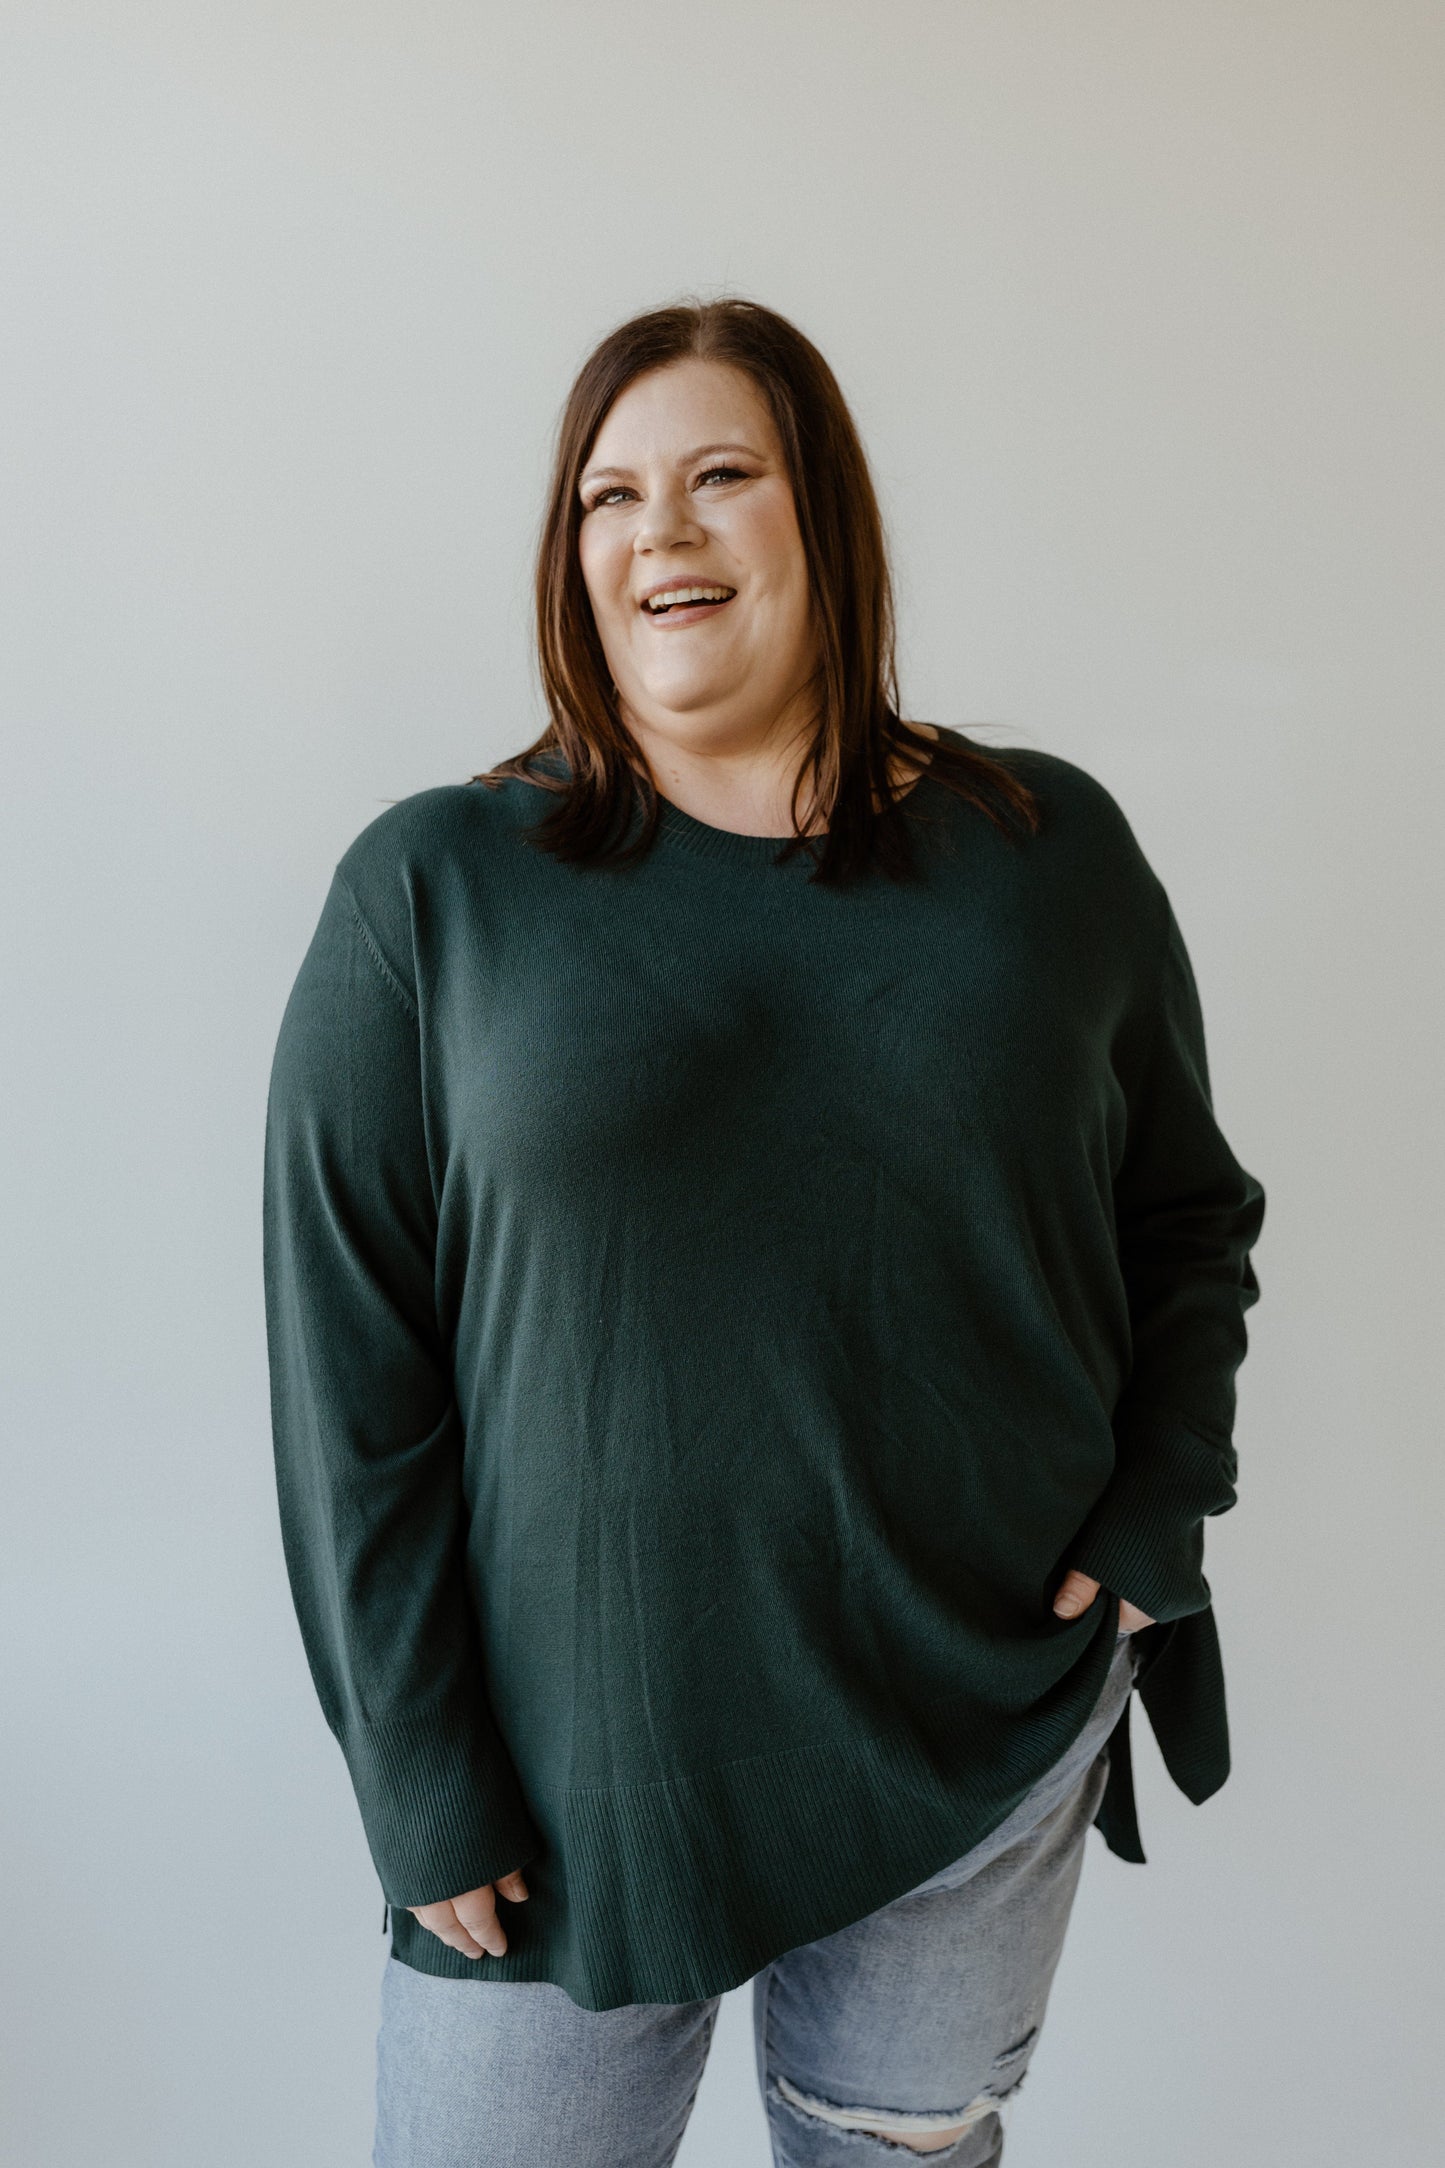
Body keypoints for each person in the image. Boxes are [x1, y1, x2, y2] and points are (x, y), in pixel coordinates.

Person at [262, 297, 1266, 2166]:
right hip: (574, 1775)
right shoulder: (434, 890)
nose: (662, 532)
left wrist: (1156, 1508)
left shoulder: (1045, 854)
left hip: (979, 1727)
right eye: (607, 496)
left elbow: (1187, 1220)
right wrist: (415, 1773)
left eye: (722, 476)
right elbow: (349, 1375)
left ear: (824, 518)